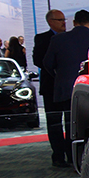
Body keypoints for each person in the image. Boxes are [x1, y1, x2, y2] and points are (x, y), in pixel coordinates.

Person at [43, 10, 89, 168]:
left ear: (74, 22)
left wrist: (60, 76)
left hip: (65, 88)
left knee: (67, 123)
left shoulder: (58, 39)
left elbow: (47, 64)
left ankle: (69, 158)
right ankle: (85, 158)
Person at [34, 10, 69, 167]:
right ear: (50, 22)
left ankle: (71, 154)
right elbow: (38, 60)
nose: (63, 22)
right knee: (54, 123)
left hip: (67, 87)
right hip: (50, 87)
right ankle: (58, 156)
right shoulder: (42, 38)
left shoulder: (69, 38)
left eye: (64, 19)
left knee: (70, 123)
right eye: (59, 20)